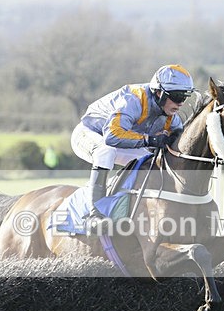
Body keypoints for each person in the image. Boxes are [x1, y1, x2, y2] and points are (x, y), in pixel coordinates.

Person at [70, 64, 194, 233]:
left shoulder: (171, 116)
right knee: (105, 152)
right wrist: (150, 139)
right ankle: (95, 215)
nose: (180, 103)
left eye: (184, 97)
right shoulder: (134, 99)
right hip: (88, 134)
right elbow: (112, 137)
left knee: (152, 162)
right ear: (159, 92)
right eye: (176, 96)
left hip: (118, 141)